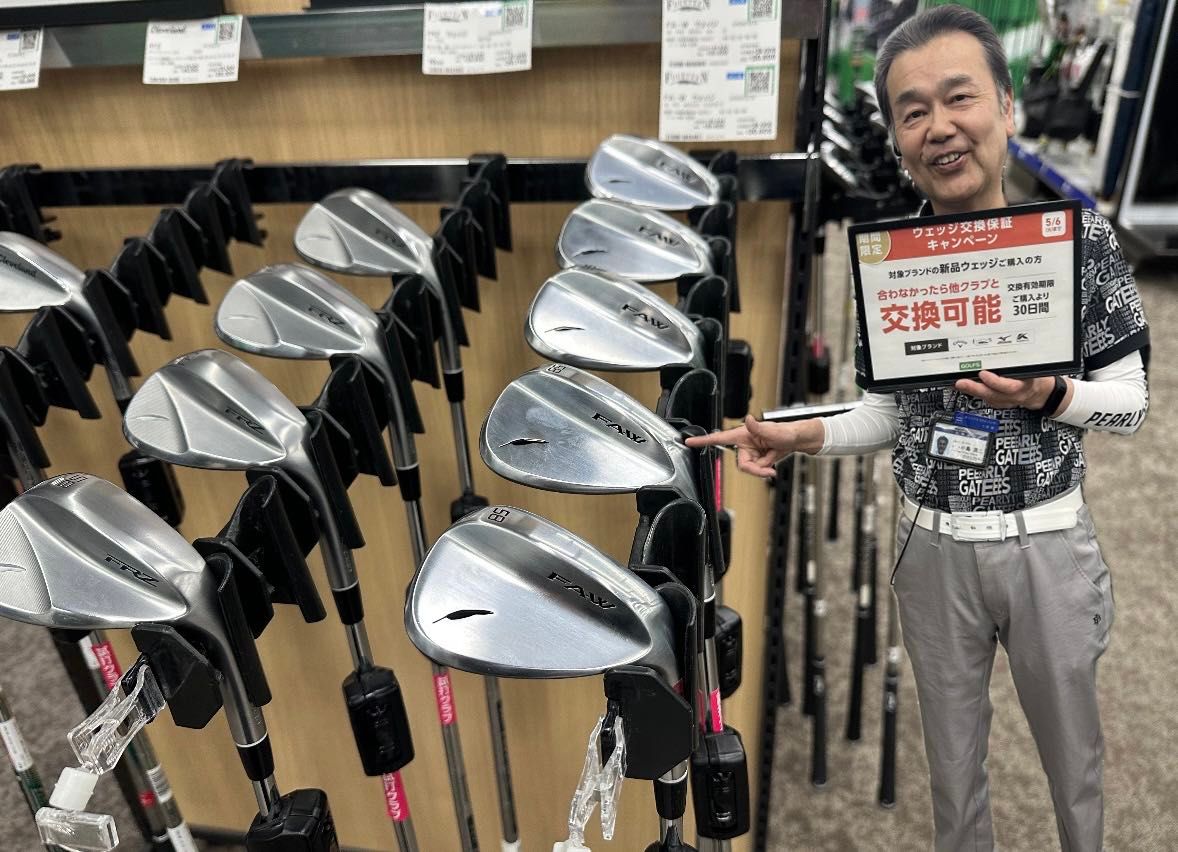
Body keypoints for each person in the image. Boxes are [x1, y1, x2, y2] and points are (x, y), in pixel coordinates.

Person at [687, 6, 1150, 851]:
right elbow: (887, 415)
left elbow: (1129, 402)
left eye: (959, 98)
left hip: (1046, 546)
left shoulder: (1078, 242)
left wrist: (1048, 394)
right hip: (930, 549)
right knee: (952, 778)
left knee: (1075, 768)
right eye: (913, 111)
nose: (939, 127)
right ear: (898, 139)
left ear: (1005, 106)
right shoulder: (892, 262)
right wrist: (798, 434)